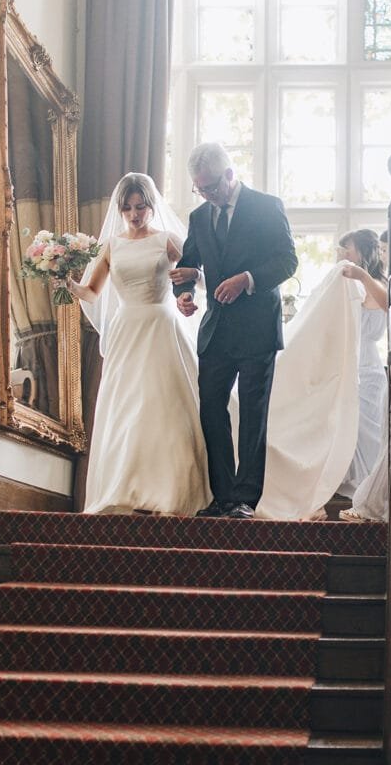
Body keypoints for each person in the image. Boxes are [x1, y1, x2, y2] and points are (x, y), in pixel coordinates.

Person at [69, 173, 210, 515]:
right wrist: (67, 282)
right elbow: (92, 292)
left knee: (164, 405)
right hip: (127, 330)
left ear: (151, 205)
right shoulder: (111, 246)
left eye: (141, 206)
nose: (134, 213)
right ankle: (126, 489)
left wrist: (187, 294)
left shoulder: (167, 240)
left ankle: (171, 490)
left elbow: (196, 276)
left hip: (161, 326)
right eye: (128, 207)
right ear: (120, 209)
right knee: (127, 408)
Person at [172, 143, 298, 519]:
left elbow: (288, 260)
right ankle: (223, 496)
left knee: (253, 415)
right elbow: (188, 264)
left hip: (258, 328)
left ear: (229, 175)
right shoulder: (198, 217)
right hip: (216, 331)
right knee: (211, 409)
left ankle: (245, 499)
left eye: (211, 186)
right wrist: (183, 295)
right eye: (200, 189)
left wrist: (248, 279)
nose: (207, 195)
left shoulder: (266, 206)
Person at [336, 229, 389, 501]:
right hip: (350, 365)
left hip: (368, 369)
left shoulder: (379, 283)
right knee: (348, 430)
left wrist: (362, 277)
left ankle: (369, 494)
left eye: (350, 249)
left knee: (369, 434)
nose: (345, 254)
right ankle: (356, 494)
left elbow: (385, 304)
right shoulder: (350, 285)